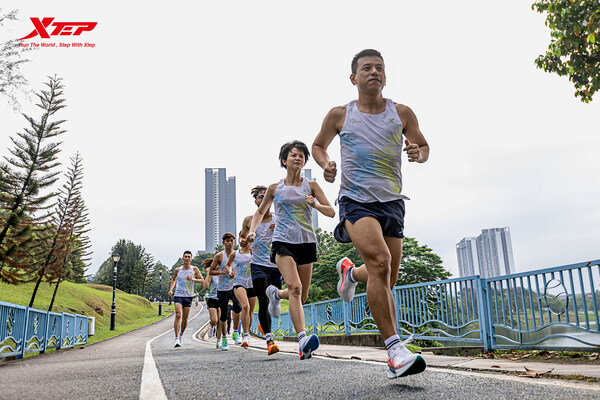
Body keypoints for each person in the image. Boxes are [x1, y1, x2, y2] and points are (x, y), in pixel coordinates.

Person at [311, 49, 429, 378]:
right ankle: (395, 351)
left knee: (386, 278)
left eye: (379, 68)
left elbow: (423, 147)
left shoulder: (402, 113)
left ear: (385, 76)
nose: (374, 72)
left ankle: (350, 274)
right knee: (380, 261)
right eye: (366, 68)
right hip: (356, 200)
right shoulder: (340, 115)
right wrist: (326, 164)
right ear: (353, 78)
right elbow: (318, 146)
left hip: (392, 202)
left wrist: (417, 153)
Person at [248, 140, 335, 360]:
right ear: (284, 161)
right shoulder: (275, 188)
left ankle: (275, 294)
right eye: (294, 155)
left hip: (306, 243)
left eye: (302, 156)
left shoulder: (311, 186)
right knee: (295, 287)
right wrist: (252, 231)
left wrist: (315, 205)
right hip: (283, 242)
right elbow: (260, 213)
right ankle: (303, 340)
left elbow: (331, 212)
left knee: (301, 295)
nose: (298, 158)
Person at [239, 185, 282, 355]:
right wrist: (244, 241)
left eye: (266, 196)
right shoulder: (249, 220)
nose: (263, 199)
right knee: (263, 300)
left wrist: (277, 229)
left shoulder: (278, 218)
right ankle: (269, 340)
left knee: (274, 300)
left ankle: (264, 323)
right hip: (257, 264)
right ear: (256, 201)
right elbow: (242, 238)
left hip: (276, 265)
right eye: (260, 197)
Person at [209, 233, 242, 350]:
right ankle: (223, 338)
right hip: (222, 288)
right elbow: (211, 271)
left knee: (238, 306)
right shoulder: (219, 256)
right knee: (223, 313)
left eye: (232, 240)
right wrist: (222, 272)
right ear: (223, 243)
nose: (230, 243)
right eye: (228, 241)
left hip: (235, 285)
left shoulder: (238, 254)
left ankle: (235, 332)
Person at [168, 250, 204, 348]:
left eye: (189, 257)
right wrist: (171, 290)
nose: (187, 258)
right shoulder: (177, 270)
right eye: (186, 257)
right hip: (178, 295)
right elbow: (174, 280)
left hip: (188, 296)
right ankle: (176, 338)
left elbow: (202, 280)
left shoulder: (194, 269)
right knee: (178, 314)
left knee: (185, 318)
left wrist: (193, 279)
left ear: (191, 259)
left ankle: (181, 335)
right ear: (183, 259)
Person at [227, 234, 257, 348]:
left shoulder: (254, 252)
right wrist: (230, 272)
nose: (243, 240)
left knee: (250, 312)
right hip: (239, 283)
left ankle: (246, 333)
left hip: (252, 284)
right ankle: (245, 336)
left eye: (245, 238)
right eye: (241, 237)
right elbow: (228, 265)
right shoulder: (235, 254)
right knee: (245, 306)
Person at [202, 258, 221, 345]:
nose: (217, 266)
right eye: (216, 265)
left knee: (221, 320)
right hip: (213, 299)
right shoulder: (212, 274)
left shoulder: (223, 272)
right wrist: (208, 273)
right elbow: (205, 286)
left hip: (222, 298)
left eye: (219, 264)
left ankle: (219, 341)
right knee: (214, 320)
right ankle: (211, 326)